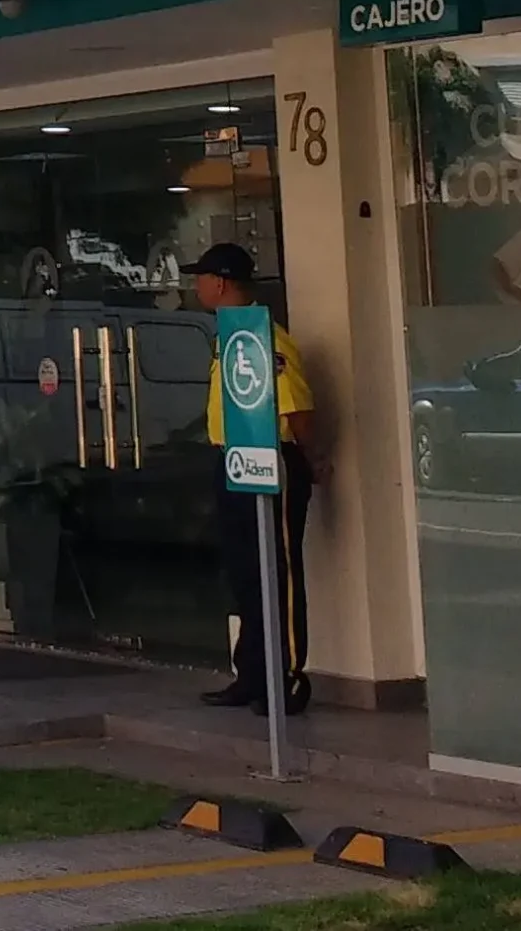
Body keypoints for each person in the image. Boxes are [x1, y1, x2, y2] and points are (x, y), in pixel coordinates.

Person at [191, 241, 323, 715]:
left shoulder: (266, 337)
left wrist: (313, 458)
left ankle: (286, 677)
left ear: (220, 283)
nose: (196, 286)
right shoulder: (229, 337)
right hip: (234, 460)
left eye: (201, 278)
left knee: (276, 571)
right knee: (245, 572)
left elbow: (298, 408)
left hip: (272, 458)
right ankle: (251, 674)